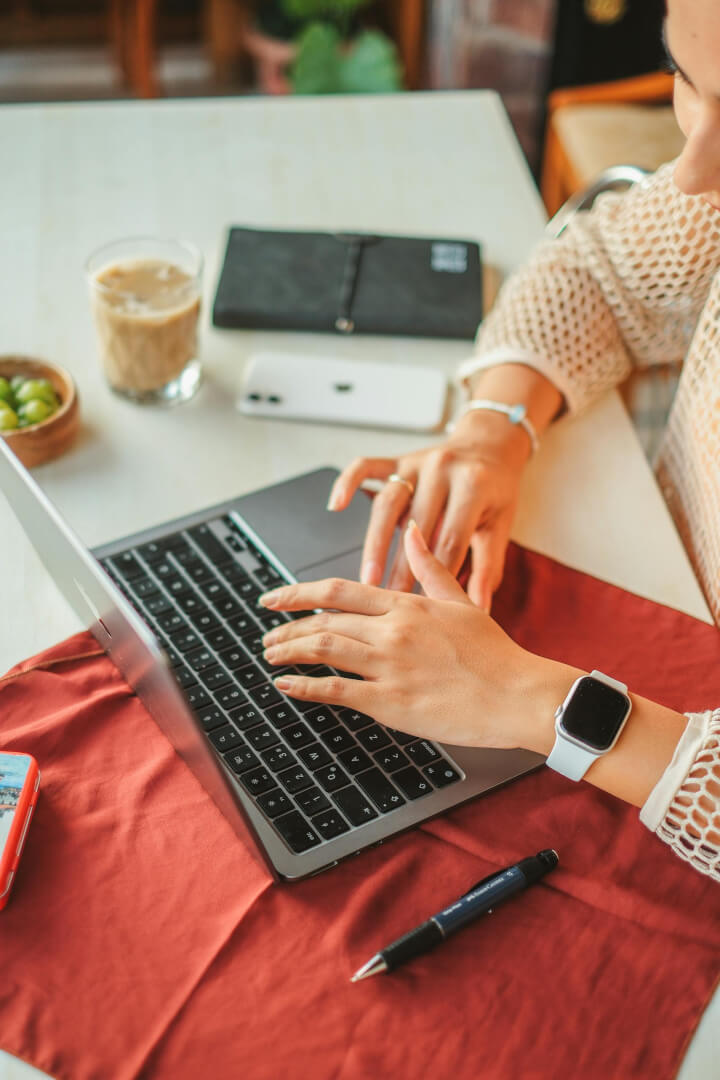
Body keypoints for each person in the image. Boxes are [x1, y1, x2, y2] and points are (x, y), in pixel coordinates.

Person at [259, 0, 720, 883]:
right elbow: (602, 267)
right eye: (688, 82)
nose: (692, 174)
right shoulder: (711, 186)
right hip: (658, 597)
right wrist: (494, 431)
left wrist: (533, 702)